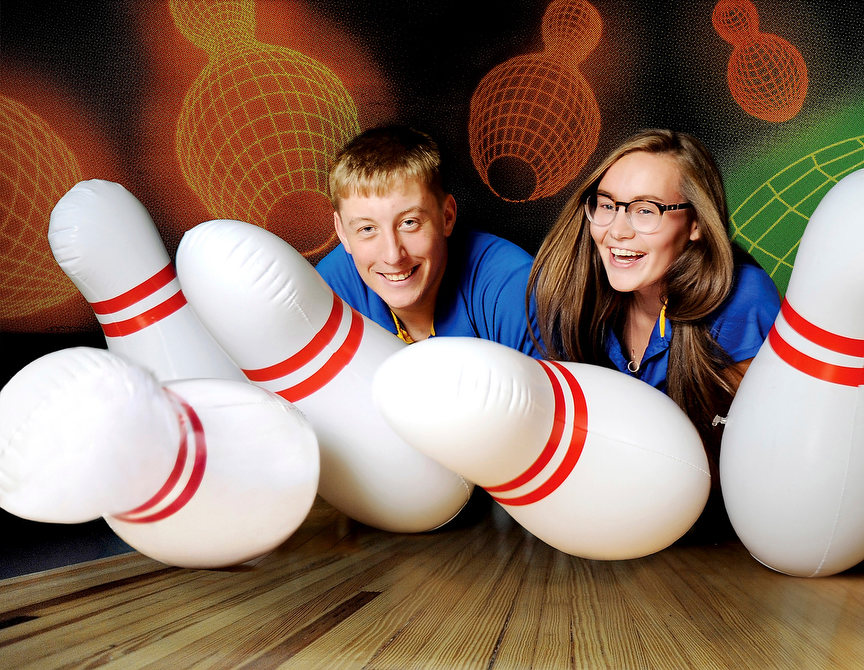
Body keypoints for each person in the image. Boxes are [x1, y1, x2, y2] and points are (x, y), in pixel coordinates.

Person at [527, 129, 781, 533]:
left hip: (715, 537)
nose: (617, 231)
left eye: (645, 211)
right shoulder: (572, 289)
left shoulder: (742, 300)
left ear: (696, 224)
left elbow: (769, 459)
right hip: (601, 526)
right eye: (607, 205)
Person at [316, 125, 539, 357]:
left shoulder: (514, 291)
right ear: (342, 232)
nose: (393, 256)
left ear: (447, 217)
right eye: (368, 228)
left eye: (409, 223)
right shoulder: (328, 291)